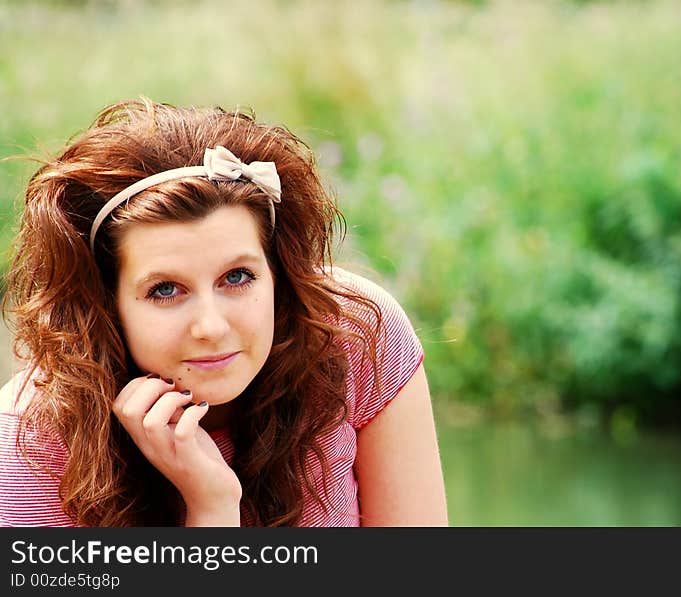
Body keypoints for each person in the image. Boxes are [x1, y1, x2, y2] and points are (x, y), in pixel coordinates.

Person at [0, 97, 448, 527]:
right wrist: (212, 508)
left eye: (237, 278)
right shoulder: (32, 436)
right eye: (165, 290)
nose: (212, 327)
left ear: (278, 274)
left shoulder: (356, 336)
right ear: (106, 305)